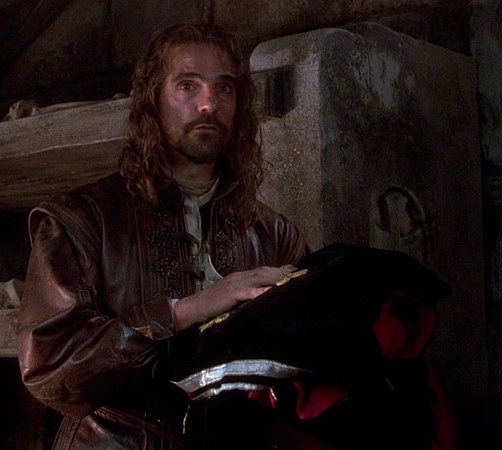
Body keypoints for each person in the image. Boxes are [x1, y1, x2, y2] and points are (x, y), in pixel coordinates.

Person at [16, 22, 310, 449]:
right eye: (187, 86)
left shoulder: (275, 233)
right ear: (153, 99)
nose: (209, 104)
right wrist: (183, 310)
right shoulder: (81, 219)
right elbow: (50, 370)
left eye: (224, 88)